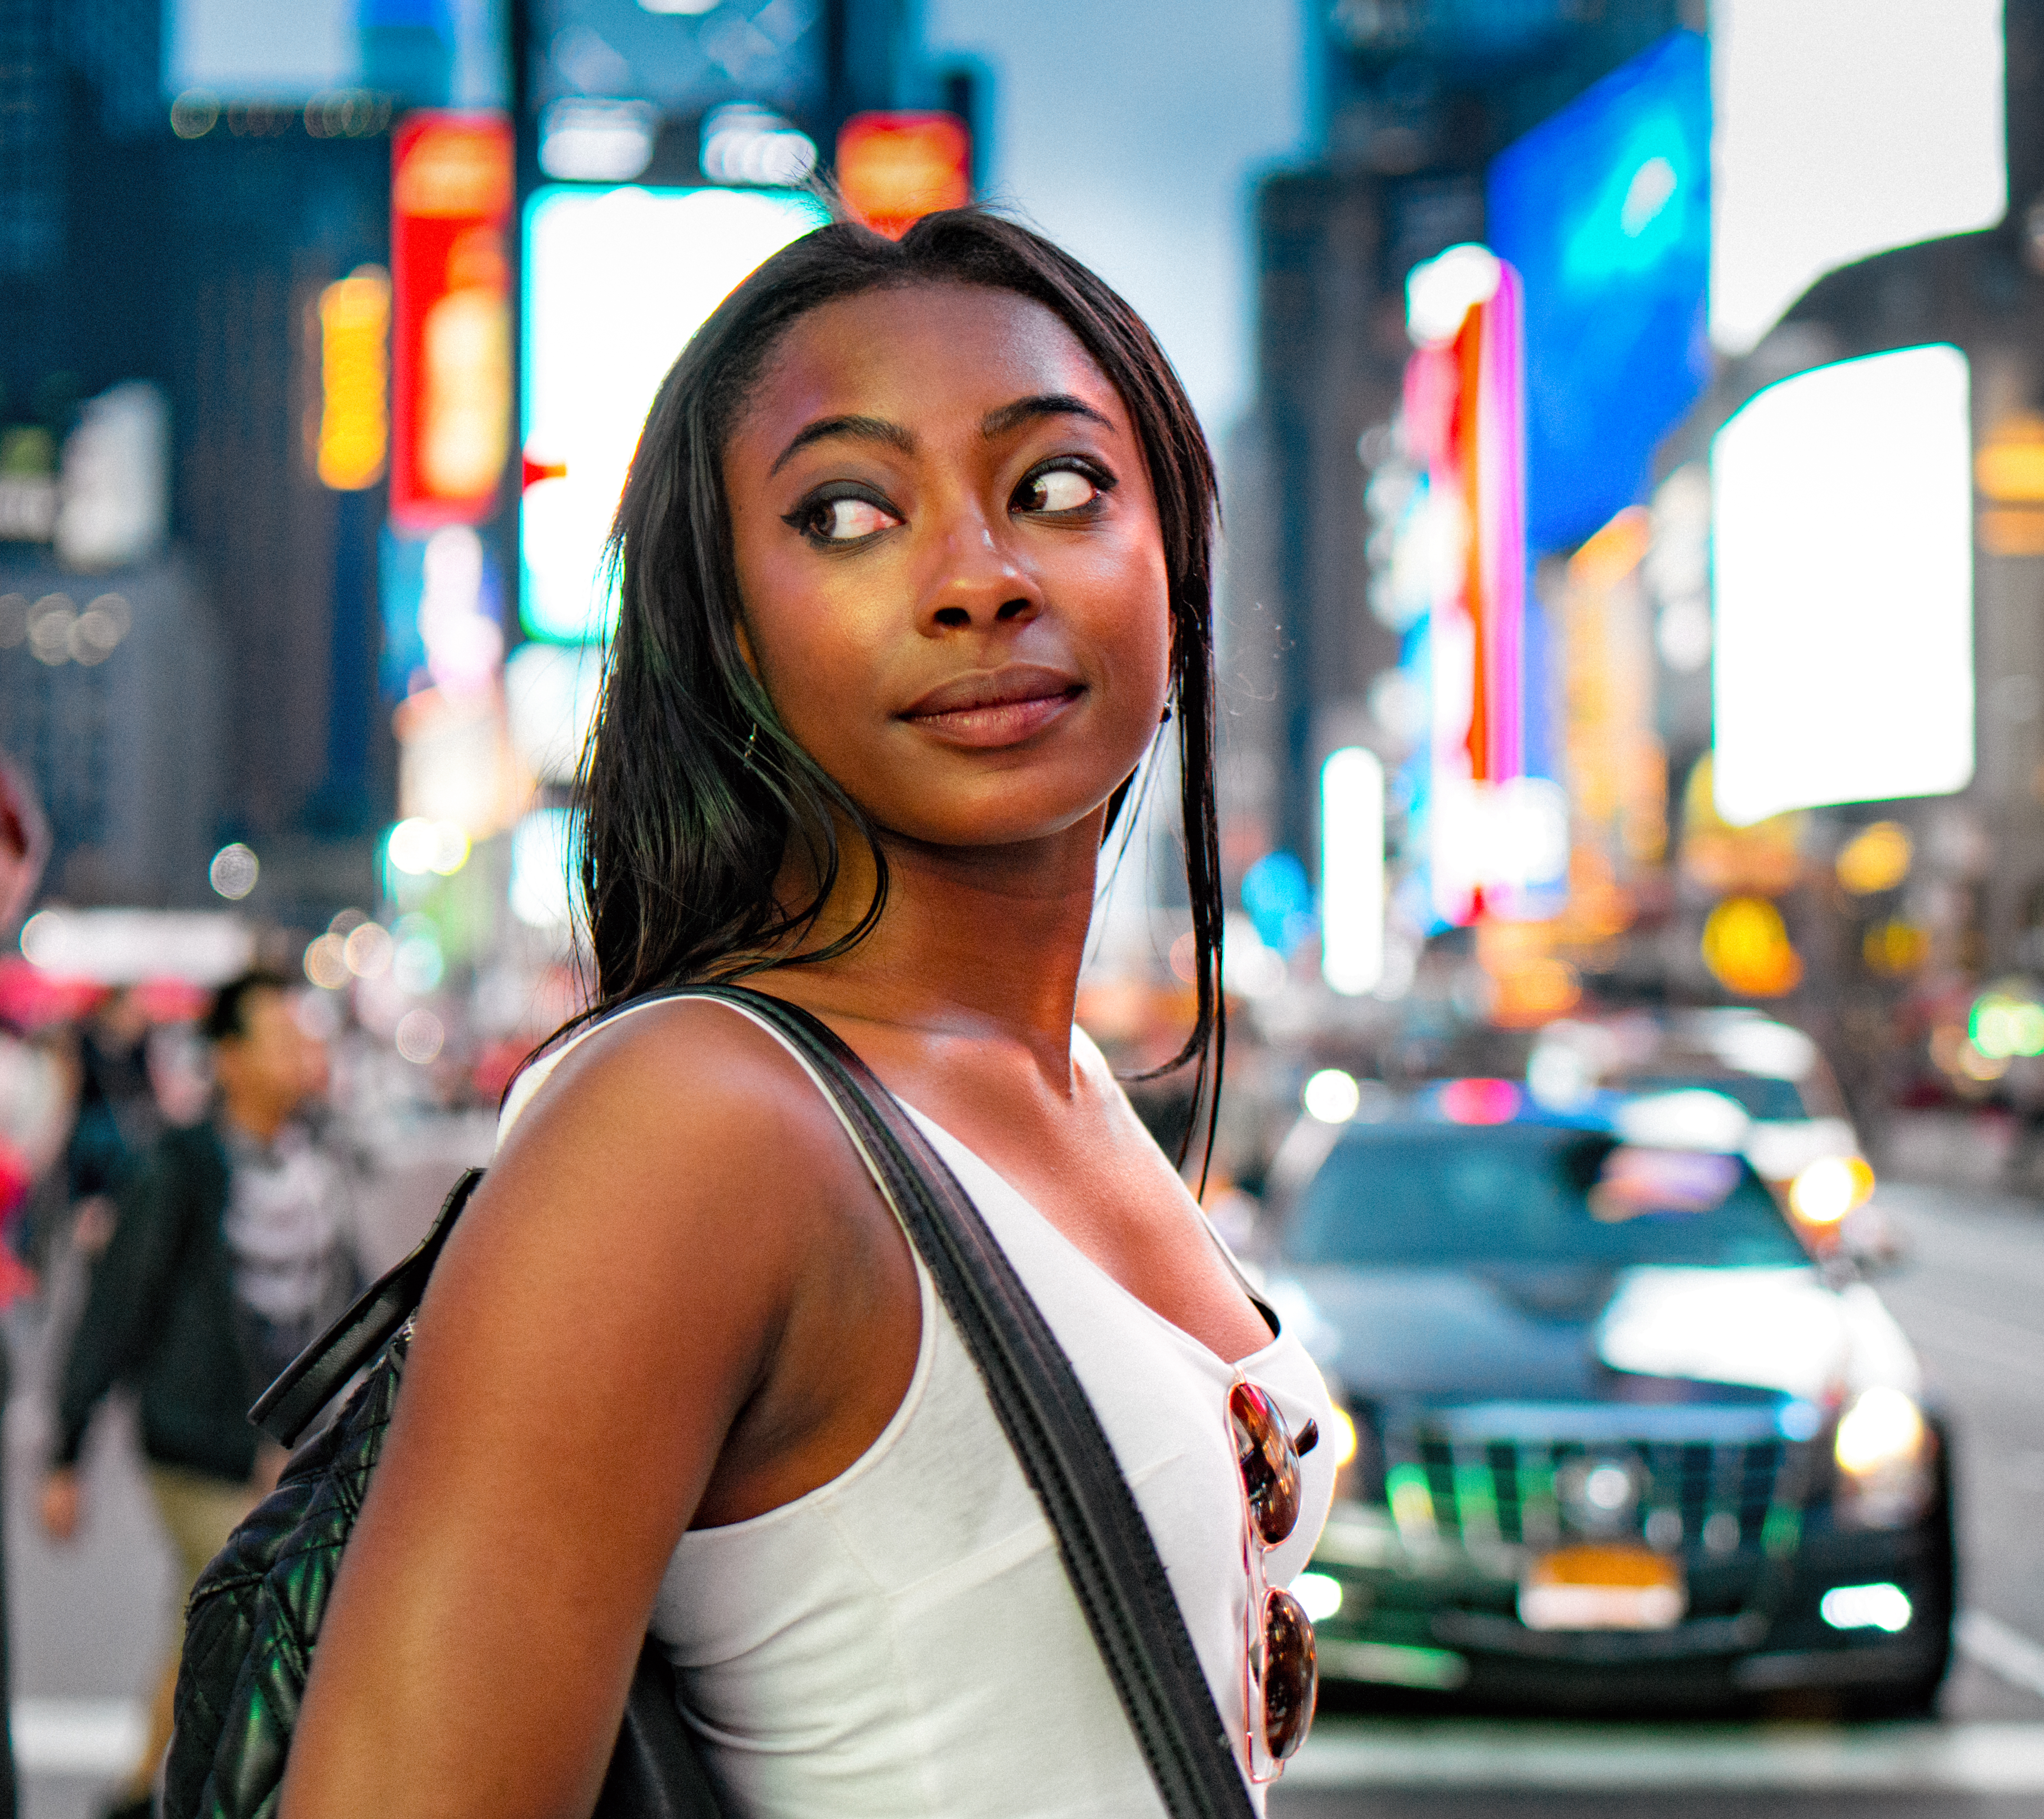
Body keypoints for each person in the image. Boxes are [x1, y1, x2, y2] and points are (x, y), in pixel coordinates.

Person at [279, 210, 1335, 1818]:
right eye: (847, 512)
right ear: (728, 635)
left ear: (1175, 567)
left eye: (1057, 488)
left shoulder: (1061, 1089)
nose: (978, 577)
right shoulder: (696, 1122)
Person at [43, 969, 352, 1819]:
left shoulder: (316, 1163)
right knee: (247, 1604)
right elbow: (116, 1311)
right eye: (279, 1035)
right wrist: (64, 1453)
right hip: (193, 1440)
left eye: (304, 1031)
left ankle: (149, 1790)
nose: (302, 1049)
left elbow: (349, 1307)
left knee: (219, 1617)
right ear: (229, 1060)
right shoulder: (179, 1166)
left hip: (281, 1455)